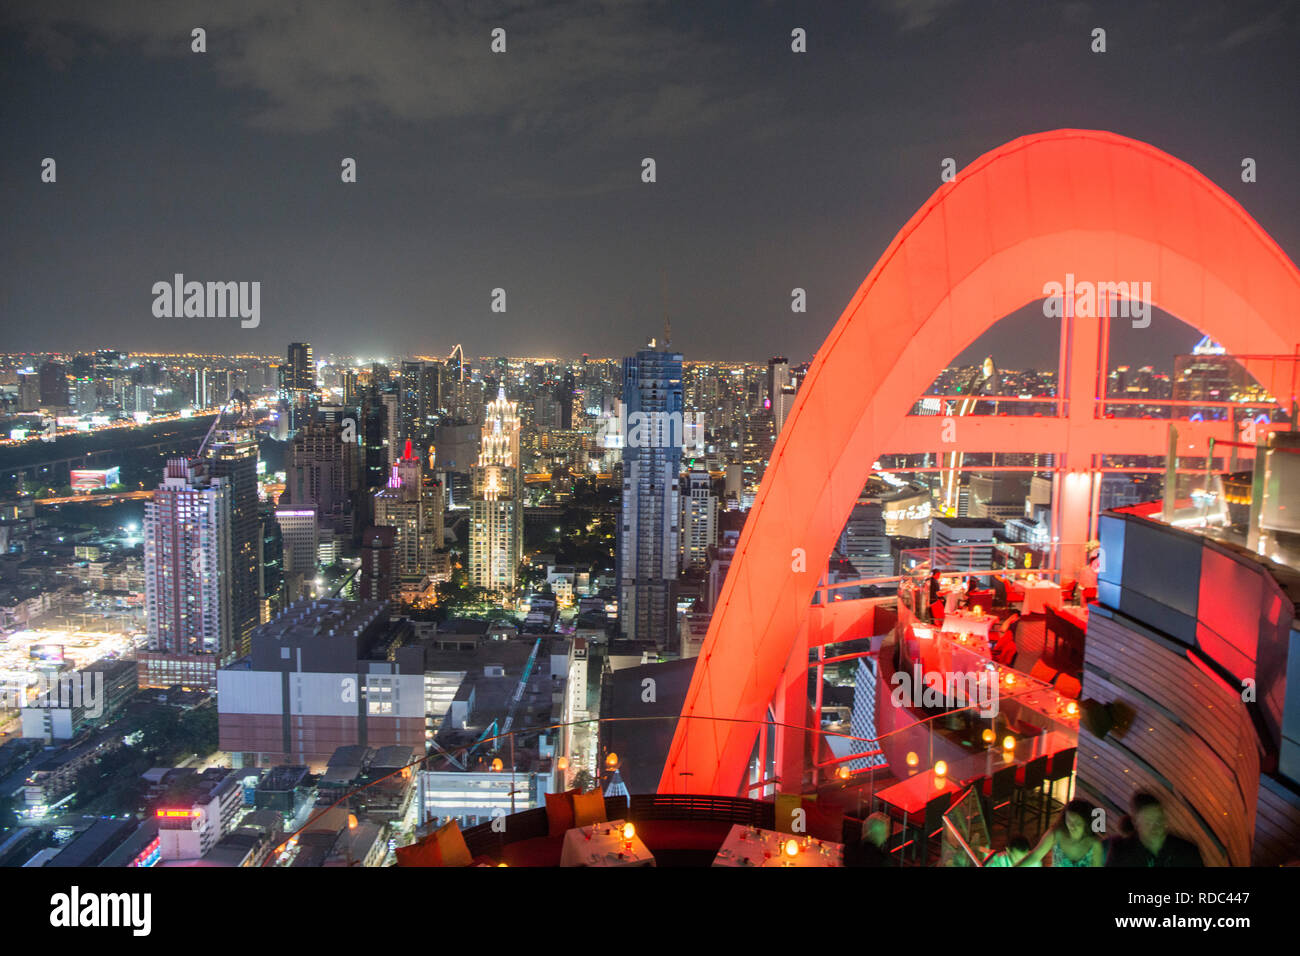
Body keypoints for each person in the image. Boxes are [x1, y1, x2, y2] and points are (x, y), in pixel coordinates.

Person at [1106, 792, 1204, 867]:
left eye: (1158, 820)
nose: (1155, 826)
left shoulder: (1187, 851)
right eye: (1148, 822)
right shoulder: (1121, 852)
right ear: (1136, 822)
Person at [1017, 799, 1104, 867]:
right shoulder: (1056, 833)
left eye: (1077, 823)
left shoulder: (1094, 844)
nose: (1072, 826)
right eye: (1069, 821)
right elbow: (1036, 855)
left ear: (1086, 822)